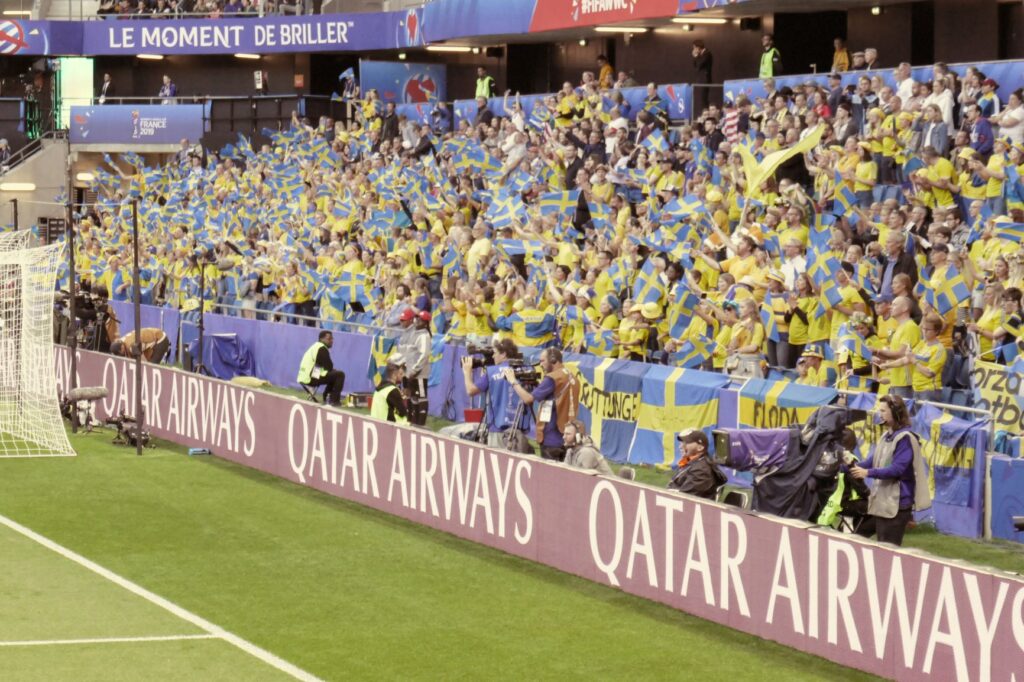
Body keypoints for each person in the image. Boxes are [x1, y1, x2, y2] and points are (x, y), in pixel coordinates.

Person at [851, 394, 931, 546]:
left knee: (888, 549)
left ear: (896, 413)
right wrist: (848, 466)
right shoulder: (886, 436)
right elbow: (872, 461)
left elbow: (896, 469)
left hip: (897, 505)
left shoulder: (905, 439)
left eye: (883, 411)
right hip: (883, 502)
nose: (879, 414)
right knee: (863, 536)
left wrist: (867, 473)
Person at [505, 347, 580, 462]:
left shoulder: (552, 378)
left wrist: (513, 381)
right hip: (567, 437)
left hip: (551, 438)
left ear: (553, 360)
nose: (540, 364)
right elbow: (554, 395)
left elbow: (528, 399)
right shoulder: (571, 376)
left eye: (543, 361)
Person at [461, 339, 531, 450]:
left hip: (497, 429)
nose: (493, 356)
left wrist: (467, 372)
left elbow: (471, 390)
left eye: (495, 353)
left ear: (503, 354)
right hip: (520, 429)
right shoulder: (526, 369)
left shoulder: (492, 371)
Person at [395, 310, 432, 425]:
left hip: (419, 373)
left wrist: (415, 370)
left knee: (421, 397)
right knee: (412, 397)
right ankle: (413, 421)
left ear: (425, 323)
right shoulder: (415, 334)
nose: (417, 321)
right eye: (417, 318)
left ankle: (421, 423)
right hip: (410, 371)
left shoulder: (424, 336)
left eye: (420, 320)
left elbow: (424, 355)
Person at [667, 430, 726, 500]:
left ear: (700, 448)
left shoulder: (701, 471)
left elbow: (684, 497)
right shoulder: (692, 462)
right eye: (681, 443)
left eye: (686, 443)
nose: (680, 446)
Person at [296, 330, 346, 407]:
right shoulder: (322, 348)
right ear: (321, 339)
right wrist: (332, 370)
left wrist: (331, 370)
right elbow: (329, 366)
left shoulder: (315, 346)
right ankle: (334, 401)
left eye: (332, 338)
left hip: (304, 376)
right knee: (340, 375)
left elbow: (324, 366)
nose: (332, 341)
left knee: (333, 374)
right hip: (310, 378)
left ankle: (327, 397)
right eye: (329, 339)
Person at [371, 356, 409, 424]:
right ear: (397, 371)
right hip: (389, 427)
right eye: (403, 369)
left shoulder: (379, 388)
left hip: (378, 424)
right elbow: (403, 413)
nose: (403, 374)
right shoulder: (392, 391)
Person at [692, 40, 713, 113]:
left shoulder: (707, 53)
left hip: (705, 79)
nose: (694, 50)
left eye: (694, 48)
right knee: (702, 98)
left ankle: (706, 112)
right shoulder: (700, 55)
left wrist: (696, 56)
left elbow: (700, 64)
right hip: (701, 79)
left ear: (698, 47)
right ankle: (705, 112)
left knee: (704, 98)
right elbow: (695, 66)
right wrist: (695, 57)